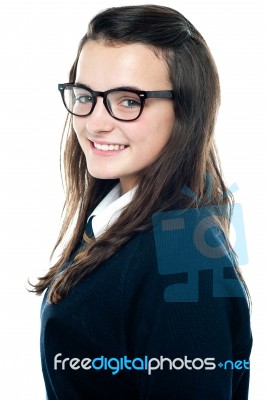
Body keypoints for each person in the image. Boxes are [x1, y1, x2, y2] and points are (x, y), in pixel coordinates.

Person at [32, 4, 252, 399]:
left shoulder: (184, 258)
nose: (96, 122)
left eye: (129, 101)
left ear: (185, 111)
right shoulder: (116, 220)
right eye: (86, 96)